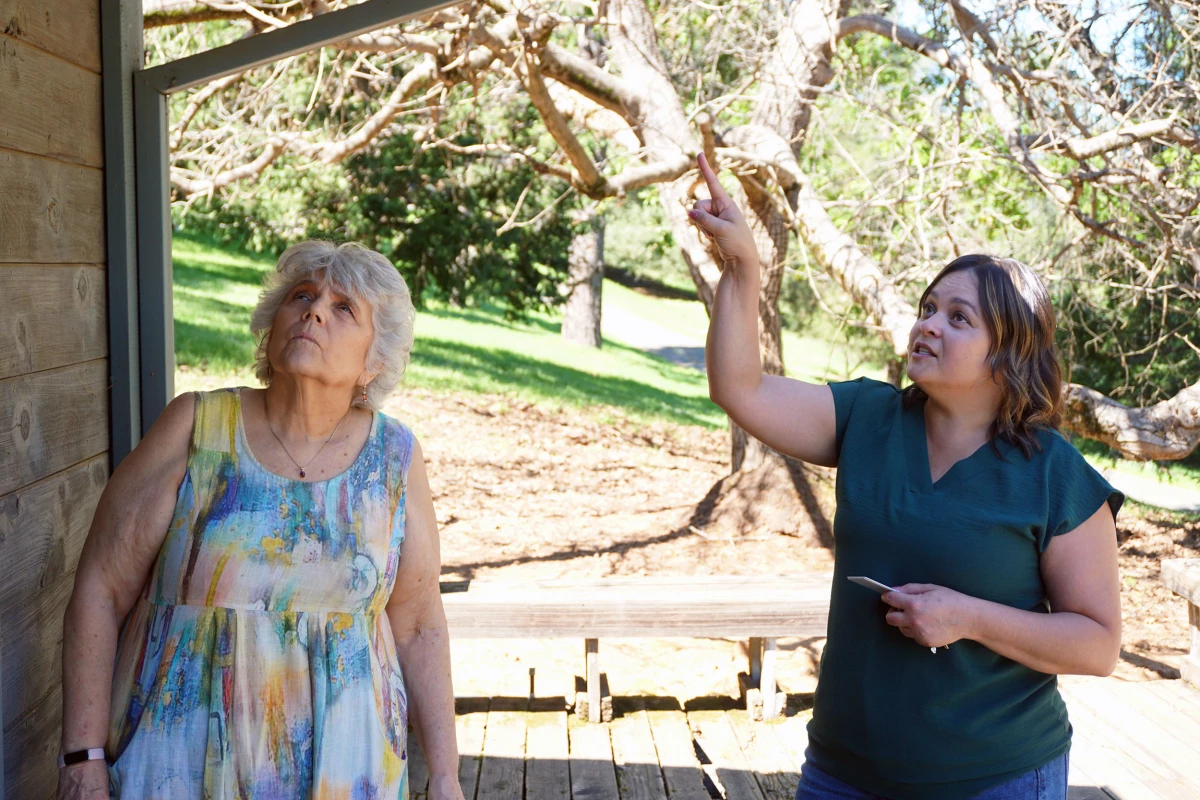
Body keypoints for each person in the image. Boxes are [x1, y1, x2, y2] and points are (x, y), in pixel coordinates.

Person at [690, 153, 1122, 800]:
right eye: (928, 308)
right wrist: (741, 266)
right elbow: (740, 388)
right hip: (843, 773)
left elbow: (1097, 645)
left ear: (1008, 354)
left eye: (958, 318)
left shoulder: (1054, 476)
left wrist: (968, 618)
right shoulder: (866, 418)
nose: (928, 324)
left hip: (994, 780)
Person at [57, 241, 463, 800]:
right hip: (176, 767)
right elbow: (100, 588)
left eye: (344, 307)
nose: (314, 311)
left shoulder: (393, 458)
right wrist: (82, 757)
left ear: (374, 362)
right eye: (302, 296)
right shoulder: (196, 428)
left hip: (347, 773)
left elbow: (418, 626)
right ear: (271, 326)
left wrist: (445, 775)